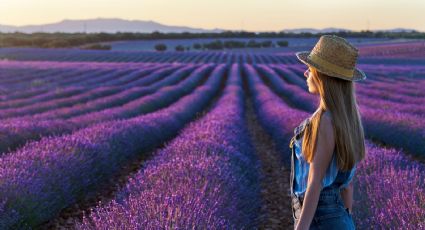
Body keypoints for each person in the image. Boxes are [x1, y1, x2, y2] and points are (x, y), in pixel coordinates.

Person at [289, 35, 367, 230]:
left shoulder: (324, 121)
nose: (306, 73)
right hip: (338, 218)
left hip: (320, 219)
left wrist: (301, 227)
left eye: (311, 68)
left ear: (322, 76)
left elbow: (314, 184)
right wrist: (346, 218)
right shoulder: (348, 120)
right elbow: (347, 184)